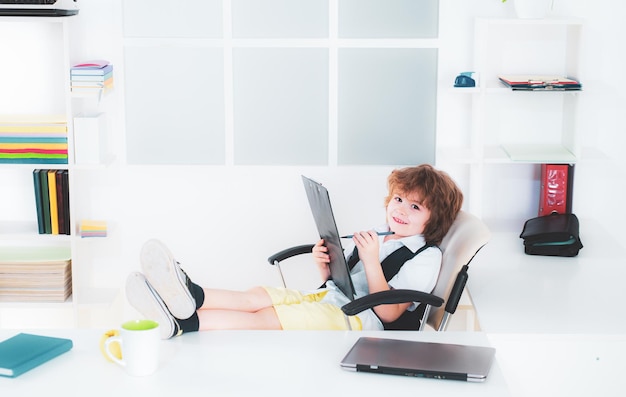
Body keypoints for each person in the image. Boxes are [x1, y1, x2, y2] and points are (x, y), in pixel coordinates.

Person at [126, 164, 463, 339]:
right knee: (257, 296)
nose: (400, 210)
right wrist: (326, 267)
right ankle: (188, 294)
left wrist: (372, 261)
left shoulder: (426, 257)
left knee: (265, 318)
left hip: (359, 323)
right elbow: (343, 283)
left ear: (435, 218)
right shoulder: (381, 234)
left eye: (415, 207)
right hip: (334, 301)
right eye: (398, 199)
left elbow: (389, 314)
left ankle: (182, 323)